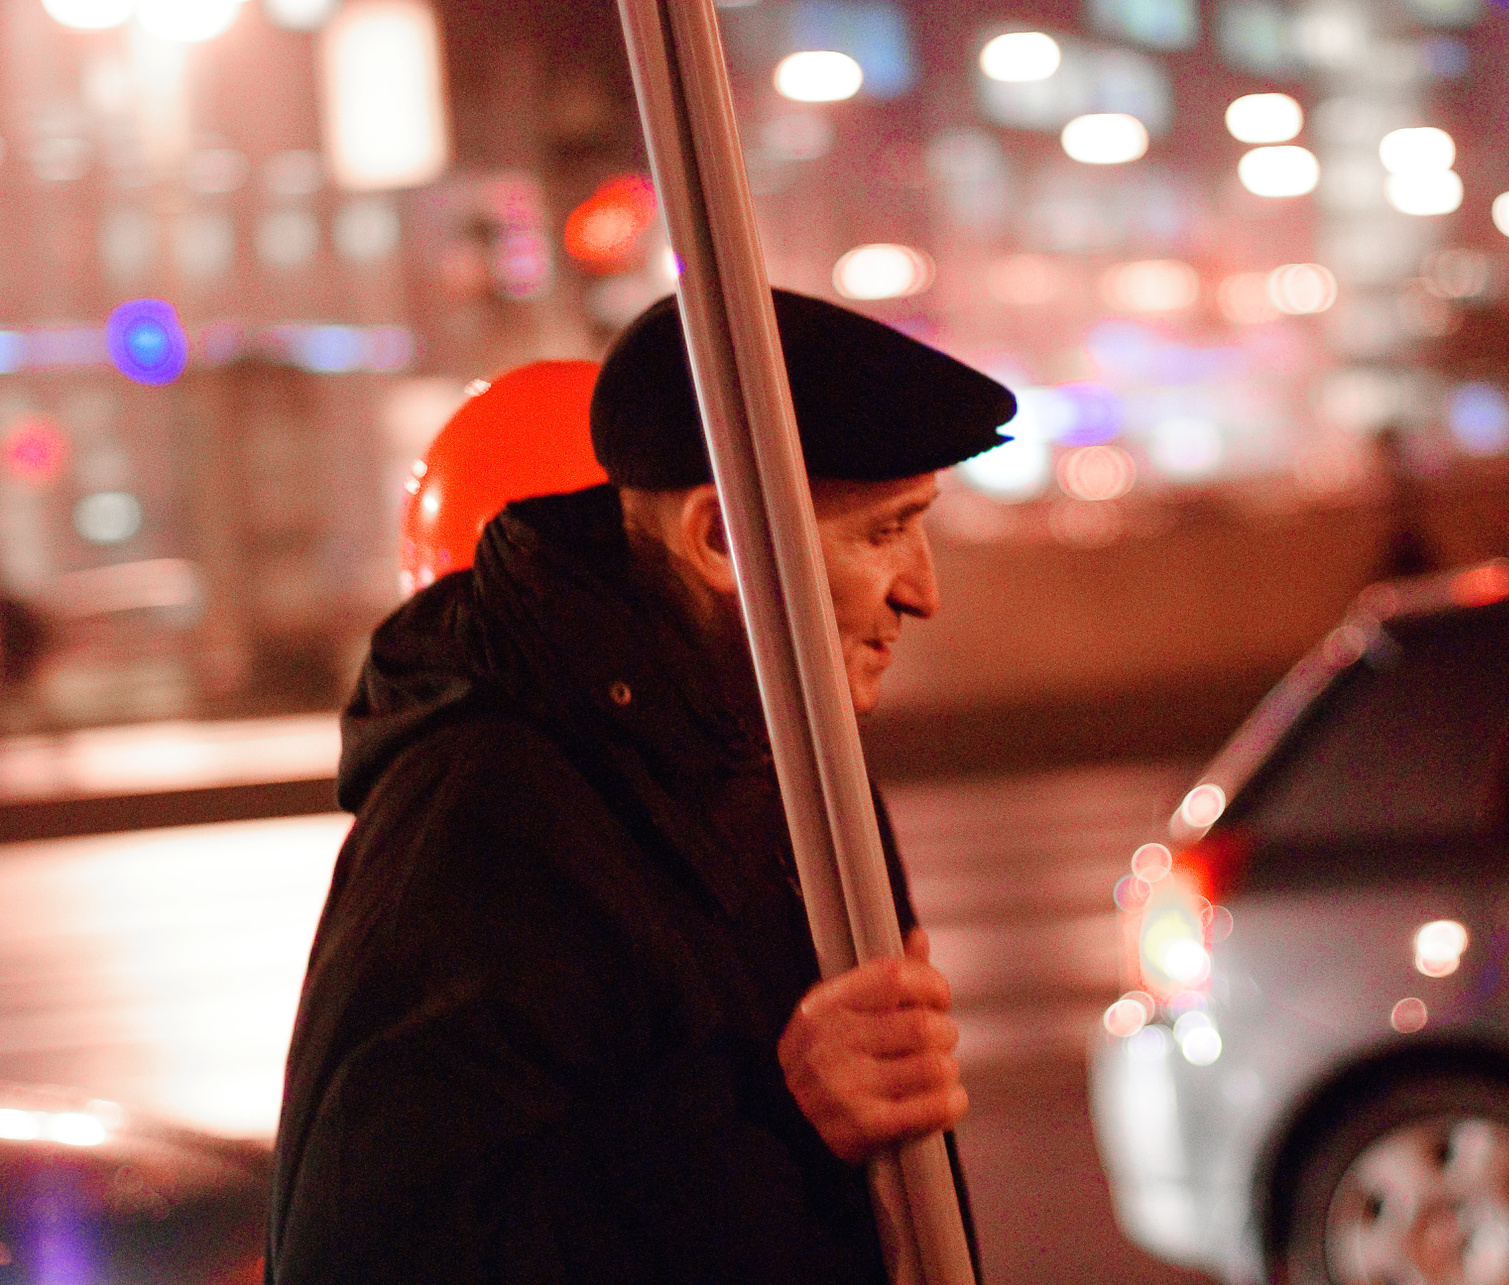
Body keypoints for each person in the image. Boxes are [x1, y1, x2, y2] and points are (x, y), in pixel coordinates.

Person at [268, 289, 1016, 1284]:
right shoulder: (487, 813)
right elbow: (368, 1258)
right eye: (883, 532)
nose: (924, 591)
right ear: (719, 541)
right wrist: (778, 1123)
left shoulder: (800, 770)